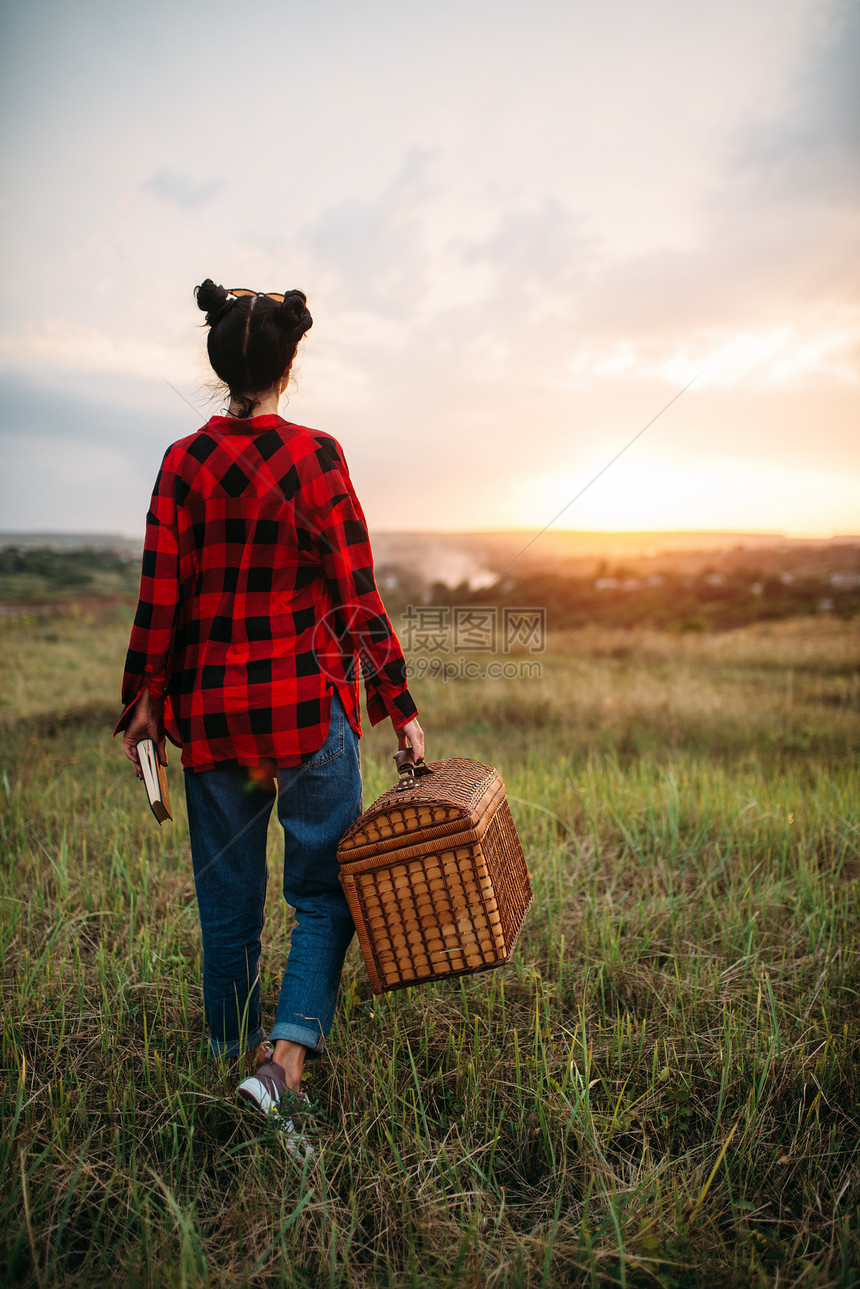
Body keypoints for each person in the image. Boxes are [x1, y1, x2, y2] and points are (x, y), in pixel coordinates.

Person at [115, 280, 423, 1144]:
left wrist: (143, 699)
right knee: (324, 894)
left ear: (219, 364)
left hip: (215, 721)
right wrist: (398, 704)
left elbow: (160, 600)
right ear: (291, 363)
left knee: (229, 906)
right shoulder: (317, 455)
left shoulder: (183, 463)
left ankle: (231, 1059)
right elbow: (357, 595)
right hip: (305, 716)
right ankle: (283, 1063)